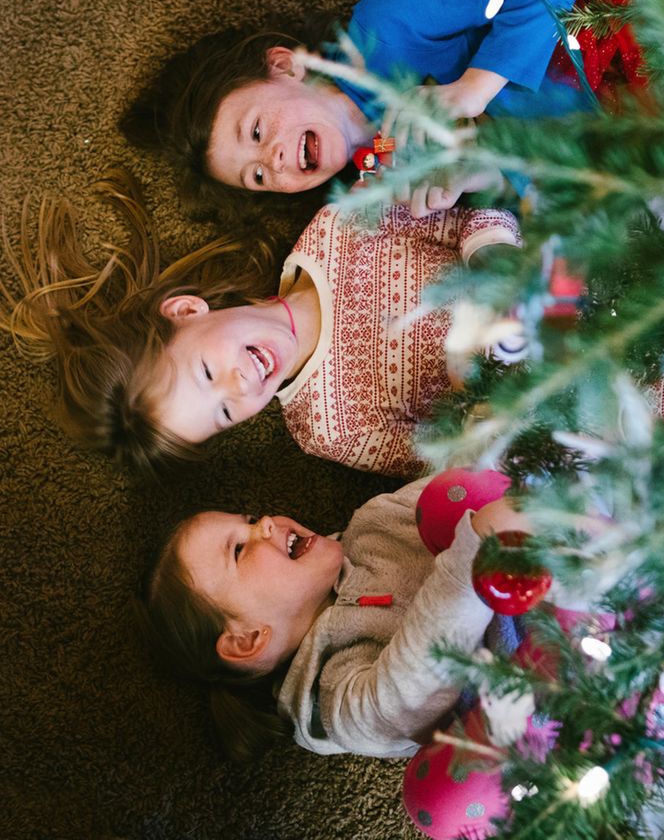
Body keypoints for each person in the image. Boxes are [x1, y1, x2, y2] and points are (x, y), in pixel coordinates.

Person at [0, 170, 521, 477]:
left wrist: (493, 261)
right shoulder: (327, 429)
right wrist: (473, 403)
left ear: (185, 311)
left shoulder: (338, 227)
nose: (239, 385)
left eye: (207, 373)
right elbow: (449, 470)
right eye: (225, 412)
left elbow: (476, 198)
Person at [123, 0, 590, 218]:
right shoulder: (383, 182)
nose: (274, 159)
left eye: (258, 132)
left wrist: (472, 88)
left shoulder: (385, 26)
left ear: (284, 67)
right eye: (259, 177)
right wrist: (474, 176)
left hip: (623, 61)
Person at [141, 477, 529, 761]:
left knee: (447, 494)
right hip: (535, 679)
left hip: (552, 540)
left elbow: (472, 477)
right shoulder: (331, 700)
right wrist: (475, 557)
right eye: (240, 549)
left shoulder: (373, 524)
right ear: (247, 640)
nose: (266, 524)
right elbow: (402, 701)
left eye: (251, 518)